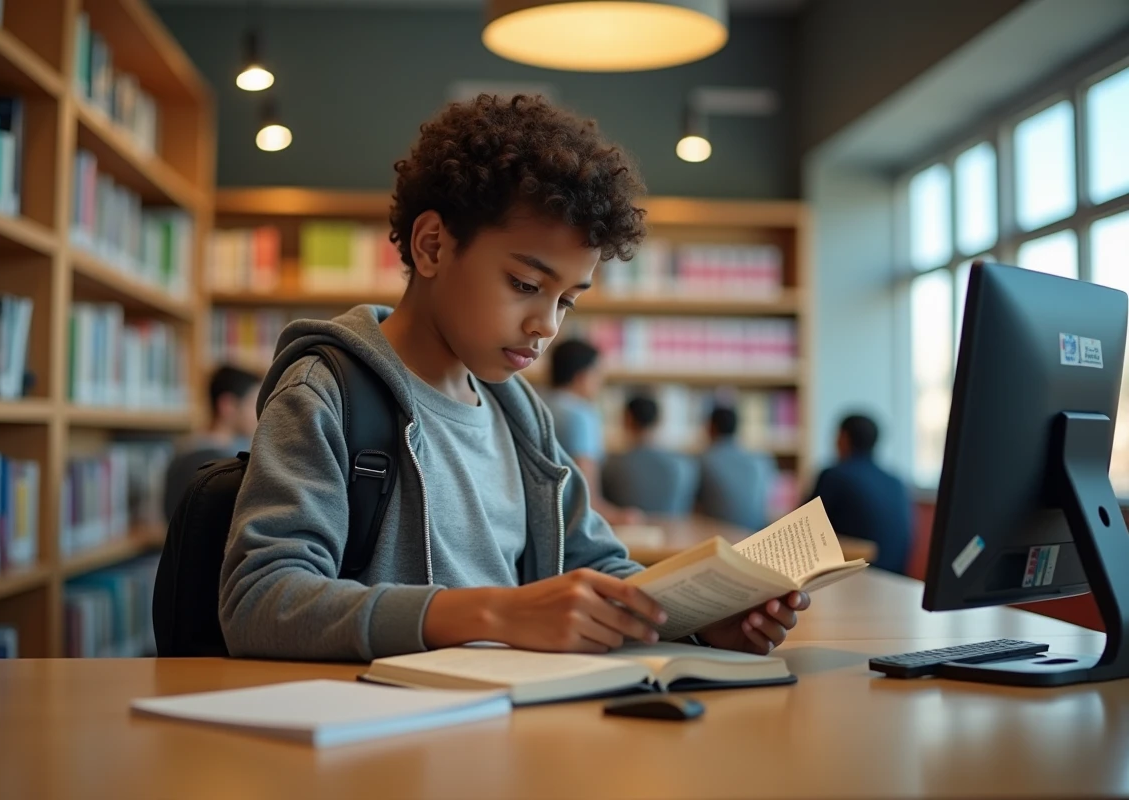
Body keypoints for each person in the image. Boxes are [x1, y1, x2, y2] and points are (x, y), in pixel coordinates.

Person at [219, 94, 808, 663]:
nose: (546, 325)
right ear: (431, 246)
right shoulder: (326, 392)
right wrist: (495, 613)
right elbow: (260, 599)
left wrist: (699, 622)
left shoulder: (519, 414)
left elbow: (598, 566)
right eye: (526, 285)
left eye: (567, 301)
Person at [544, 339, 642, 524]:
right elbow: (587, 498)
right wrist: (621, 517)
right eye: (598, 374)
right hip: (568, 525)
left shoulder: (535, 404)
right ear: (582, 376)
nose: (600, 382)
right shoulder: (581, 414)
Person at [807, 414, 912, 574]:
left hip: (856, 579)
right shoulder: (896, 481)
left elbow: (802, 526)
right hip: (897, 579)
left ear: (844, 438)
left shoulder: (835, 475)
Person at [163, 365, 261, 520]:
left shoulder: (184, 449)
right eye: (253, 404)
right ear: (228, 406)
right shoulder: (215, 464)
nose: (259, 413)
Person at [602, 395, 697, 515]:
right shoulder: (684, 466)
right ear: (658, 421)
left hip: (627, 532)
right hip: (675, 532)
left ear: (628, 419)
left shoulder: (611, 466)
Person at [697, 405, 778, 531]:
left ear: (711, 427)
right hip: (755, 535)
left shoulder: (704, 461)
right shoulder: (762, 461)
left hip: (717, 536)